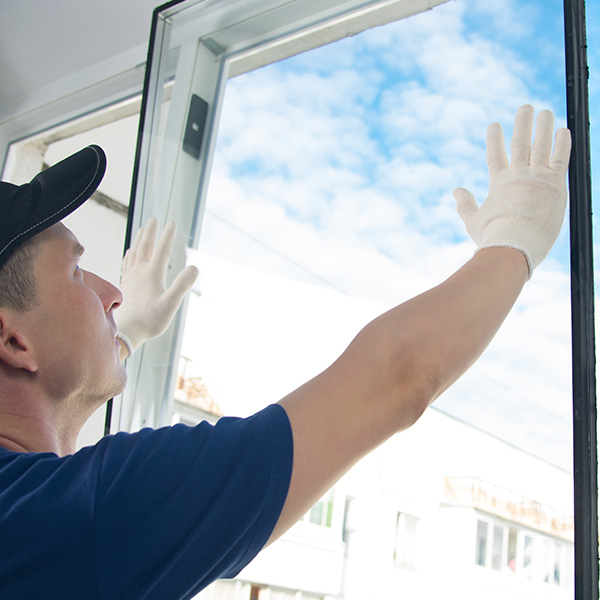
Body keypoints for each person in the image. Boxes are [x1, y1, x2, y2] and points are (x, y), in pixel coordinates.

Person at [0, 105, 571, 599]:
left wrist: (119, 337)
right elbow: (400, 377)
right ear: (12, 341)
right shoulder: (73, 518)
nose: (112, 291)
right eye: (77, 273)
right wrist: (511, 242)